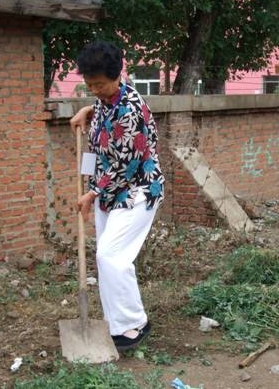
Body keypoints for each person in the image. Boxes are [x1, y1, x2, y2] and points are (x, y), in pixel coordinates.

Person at [71, 41, 165, 350]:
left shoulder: (131, 109)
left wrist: (91, 194)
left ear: (116, 76)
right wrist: (87, 109)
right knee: (109, 259)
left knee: (111, 256)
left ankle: (134, 324)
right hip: (108, 193)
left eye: (99, 84)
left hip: (137, 190)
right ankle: (118, 323)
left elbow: (126, 164)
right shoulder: (106, 98)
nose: (94, 89)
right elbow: (101, 119)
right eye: (89, 85)